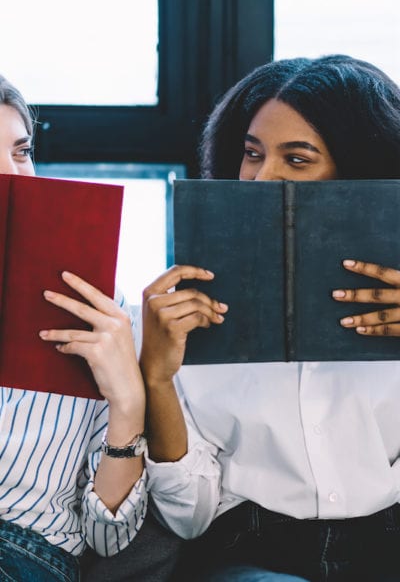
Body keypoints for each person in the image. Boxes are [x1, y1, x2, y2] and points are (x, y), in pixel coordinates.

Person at [139, 55, 400, 582]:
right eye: (252, 154)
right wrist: (156, 378)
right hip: (251, 551)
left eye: (298, 159)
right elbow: (189, 517)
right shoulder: (185, 307)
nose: (261, 179)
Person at [0, 74, 148, 581]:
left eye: (21, 151)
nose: (11, 172)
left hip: (27, 551)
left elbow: (108, 537)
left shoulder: (103, 309)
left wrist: (128, 402)